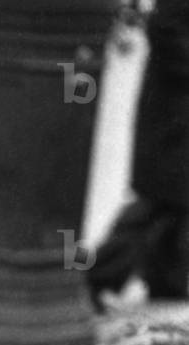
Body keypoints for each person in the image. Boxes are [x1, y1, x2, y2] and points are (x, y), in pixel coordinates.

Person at [86, 0, 189, 306]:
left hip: (177, 112)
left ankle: (166, 283)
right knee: (158, 204)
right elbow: (166, 30)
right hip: (174, 115)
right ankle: (97, 276)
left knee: (177, 203)